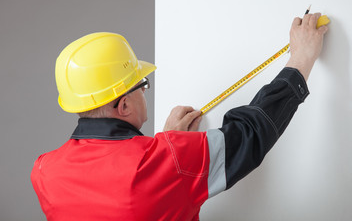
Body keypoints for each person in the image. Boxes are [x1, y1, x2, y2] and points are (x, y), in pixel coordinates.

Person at [31, 13, 328, 221]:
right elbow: (249, 134)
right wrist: (301, 59)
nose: (145, 91)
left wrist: (166, 142)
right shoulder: (170, 160)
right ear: (123, 106)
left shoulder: (44, 171)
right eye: (142, 85)